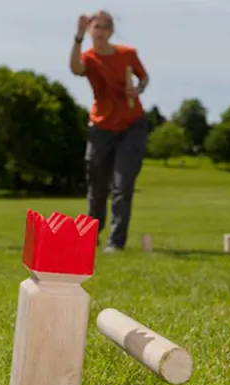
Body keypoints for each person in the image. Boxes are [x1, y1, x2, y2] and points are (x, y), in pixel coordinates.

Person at [69, 11, 150, 252]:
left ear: (111, 31)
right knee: (97, 185)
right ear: (91, 30)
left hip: (131, 126)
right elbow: (75, 69)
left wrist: (137, 89)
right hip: (101, 127)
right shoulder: (88, 57)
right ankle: (90, 236)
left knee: (122, 185)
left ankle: (116, 242)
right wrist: (78, 37)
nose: (101, 31)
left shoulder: (128, 54)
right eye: (96, 27)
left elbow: (144, 78)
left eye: (105, 27)